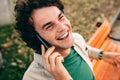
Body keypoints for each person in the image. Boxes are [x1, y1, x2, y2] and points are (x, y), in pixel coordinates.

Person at [14, 0, 120, 80]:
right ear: (35, 37)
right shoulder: (33, 77)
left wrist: (104, 55)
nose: (64, 28)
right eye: (49, 26)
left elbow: (86, 49)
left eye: (61, 17)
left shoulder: (76, 39)